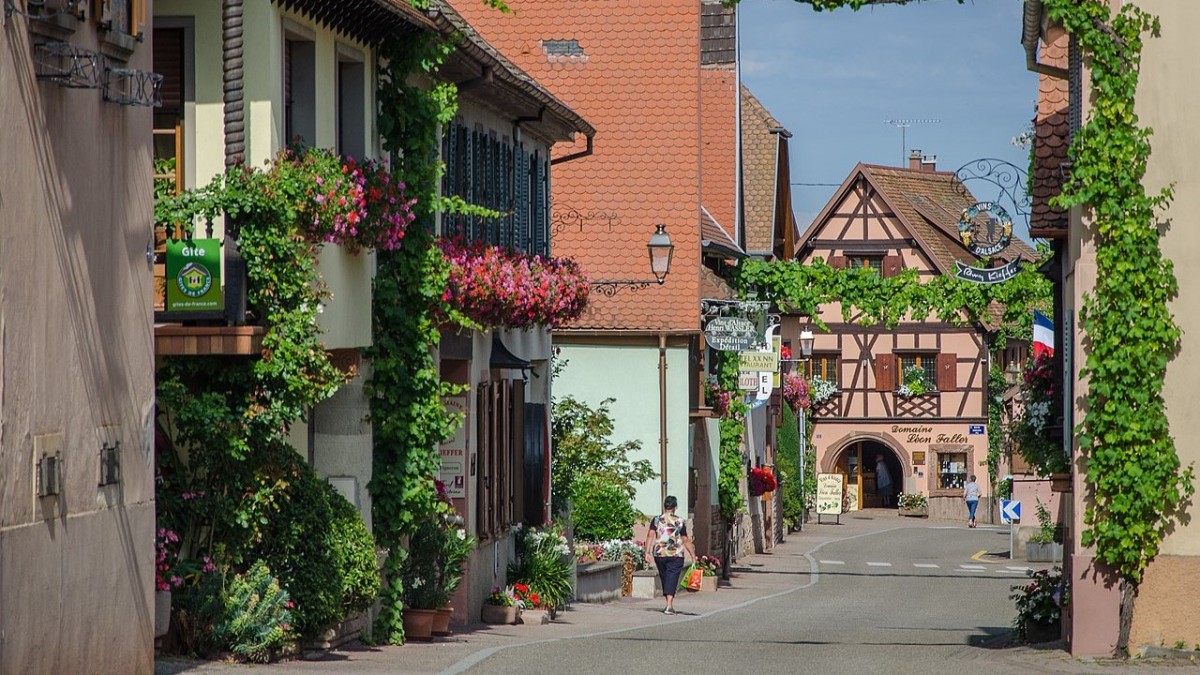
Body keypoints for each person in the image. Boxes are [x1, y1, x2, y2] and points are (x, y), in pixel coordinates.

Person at [644, 495, 697, 615]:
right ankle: (669, 605)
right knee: (671, 578)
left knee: (665, 578)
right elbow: (685, 539)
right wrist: (693, 555)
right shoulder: (679, 521)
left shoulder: (656, 520)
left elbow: (650, 535)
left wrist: (647, 552)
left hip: (660, 554)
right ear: (675, 507)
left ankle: (668, 603)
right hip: (676, 554)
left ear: (664, 506)